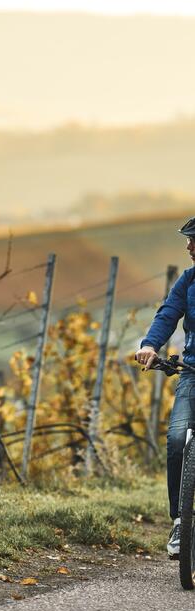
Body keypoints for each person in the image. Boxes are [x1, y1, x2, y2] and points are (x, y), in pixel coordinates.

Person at [135, 217, 195, 558]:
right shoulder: (189, 280)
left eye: (194, 240)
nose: (189, 246)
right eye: (188, 240)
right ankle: (179, 522)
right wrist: (150, 345)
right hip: (193, 372)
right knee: (176, 440)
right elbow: (168, 314)